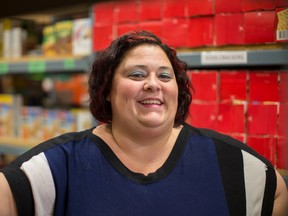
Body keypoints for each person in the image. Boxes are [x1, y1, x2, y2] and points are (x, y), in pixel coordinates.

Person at [0, 30, 287, 216]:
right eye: (137, 75)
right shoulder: (59, 167)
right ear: (107, 91)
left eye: (165, 76)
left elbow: (275, 191)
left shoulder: (230, 163)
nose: (153, 84)